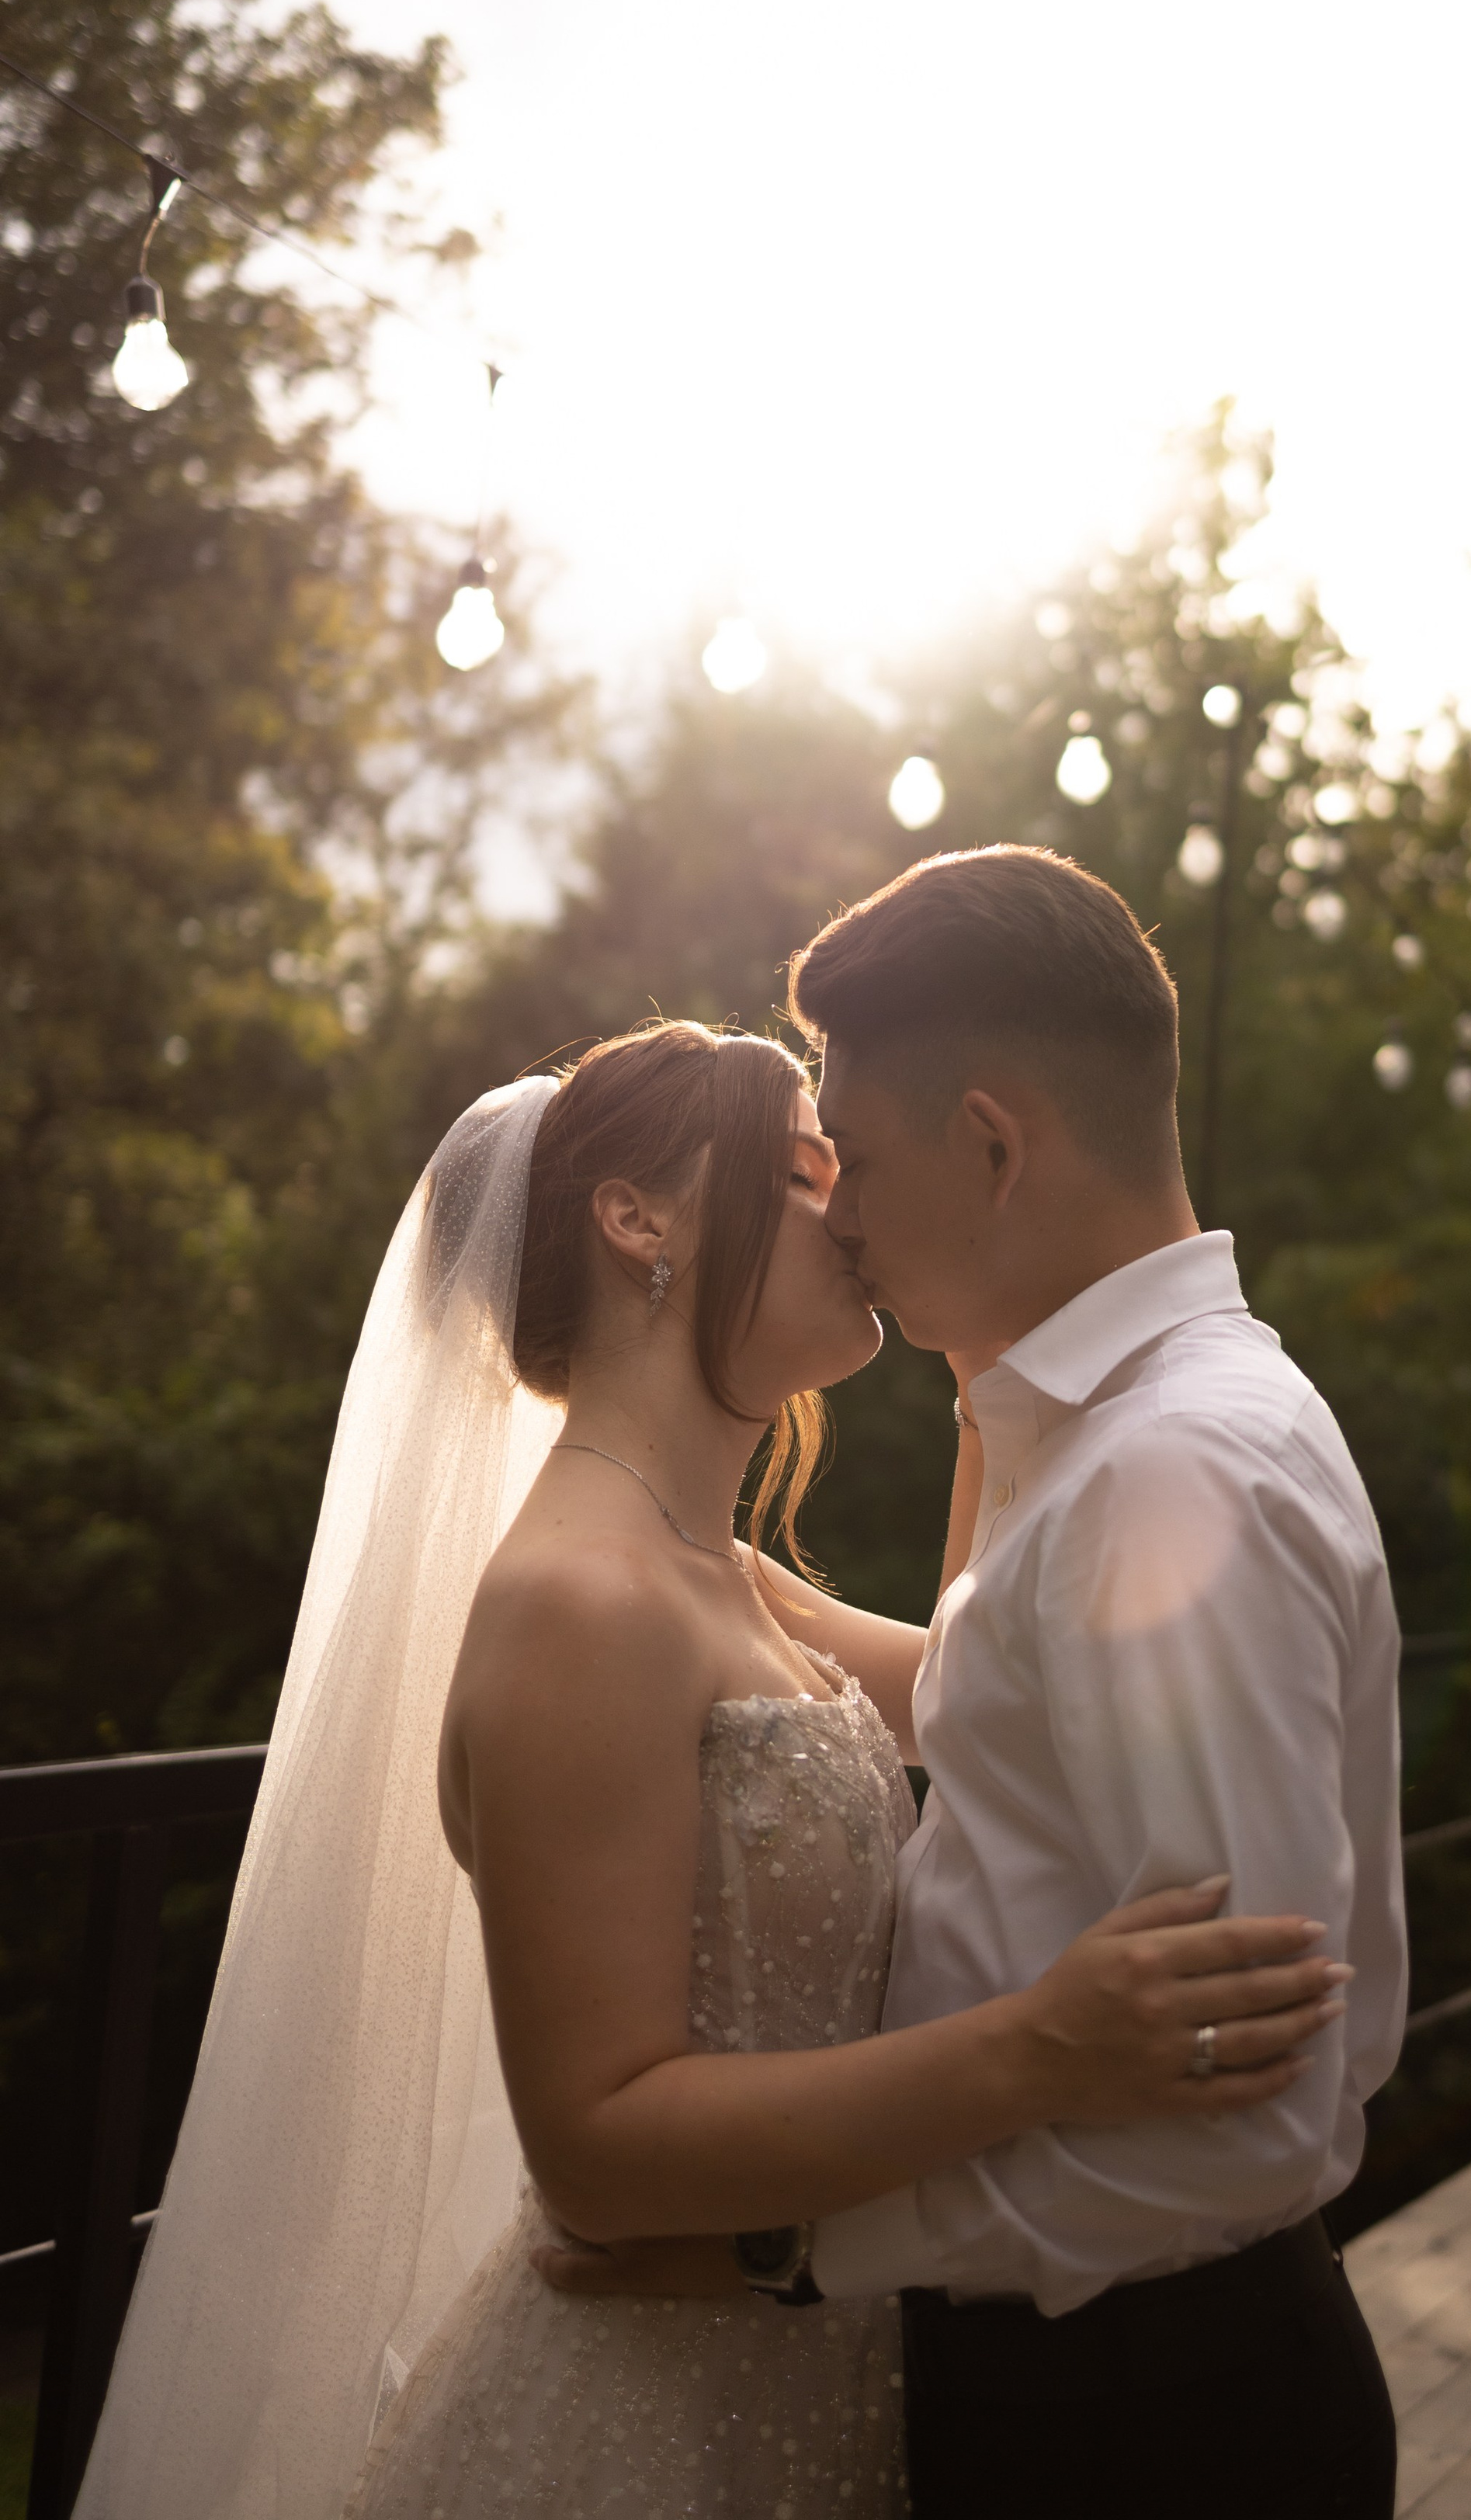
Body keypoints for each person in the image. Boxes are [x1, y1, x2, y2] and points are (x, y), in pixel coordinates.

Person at [75, 1015, 1341, 2520]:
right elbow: (598, 2151)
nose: (850, 1211)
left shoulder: (721, 1574)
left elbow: (968, 1689)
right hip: (653, 2432)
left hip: (817, 2367)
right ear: (637, 1218)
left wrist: (986, 1310)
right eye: (805, 1171)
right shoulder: (575, 1609)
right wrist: (1043, 2049)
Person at [542, 847, 1407, 2519]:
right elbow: (982, 1710)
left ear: (993, 1145)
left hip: (1149, 2426)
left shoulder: (1172, 1477)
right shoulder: (1098, 1441)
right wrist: (690, 1554)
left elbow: (1245, 2098)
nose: (838, 1211)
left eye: (850, 1156)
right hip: (1104, 2384)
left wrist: (797, 2251)